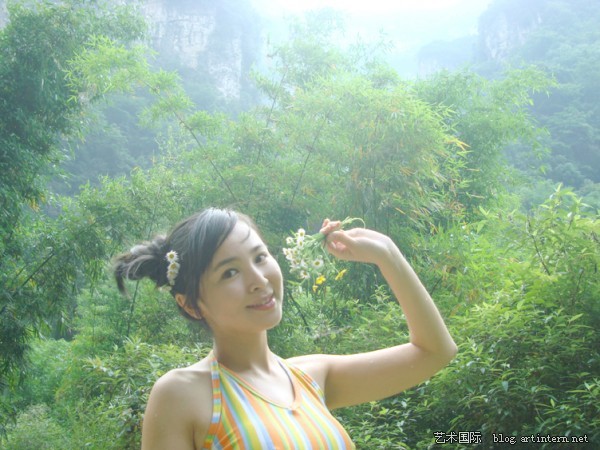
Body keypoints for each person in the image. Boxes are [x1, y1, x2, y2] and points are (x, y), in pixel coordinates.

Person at [114, 207, 457, 449]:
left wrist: (387, 254)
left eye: (260, 257)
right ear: (190, 304)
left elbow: (435, 351)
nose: (259, 279)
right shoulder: (182, 394)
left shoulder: (311, 377)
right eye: (229, 272)